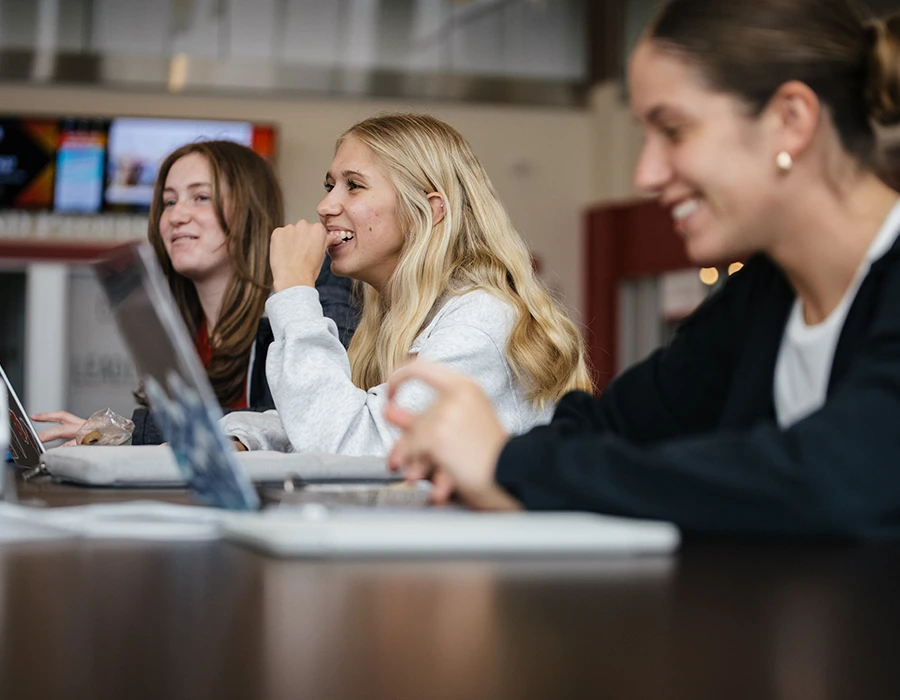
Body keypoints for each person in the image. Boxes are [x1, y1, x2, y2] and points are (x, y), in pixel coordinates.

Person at [384, 0, 900, 538]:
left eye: (673, 131)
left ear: (791, 121)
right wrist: (481, 457)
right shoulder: (763, 299)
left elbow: (837, 481)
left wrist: (506, 466)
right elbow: (610, 426)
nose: (646, 173)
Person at [222, 113, 591, 455]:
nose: (325, 205)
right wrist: (243, 437)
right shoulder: (398, 317)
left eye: (353, 186)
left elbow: (356, 447)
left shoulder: (481, 319)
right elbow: (336, 418)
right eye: (330, 185)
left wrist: (295, 294)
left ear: (428, 211)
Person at [34, 140, 358, 446]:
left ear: (249, 213)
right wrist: (113, 436)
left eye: (200, 197)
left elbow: (298, 425)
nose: (177, 216)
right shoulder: (183, 328)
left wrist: (128, 432)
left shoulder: (312, 291)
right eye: (169, 202)